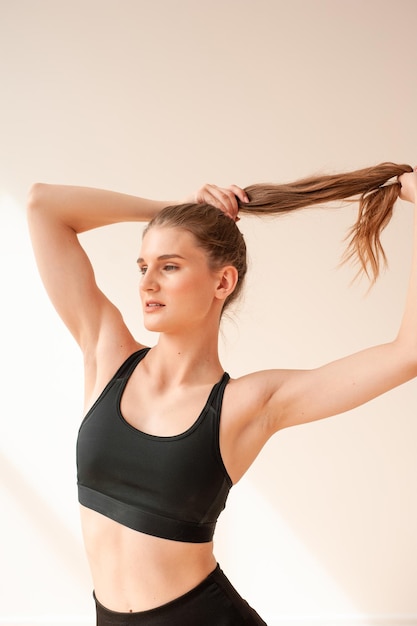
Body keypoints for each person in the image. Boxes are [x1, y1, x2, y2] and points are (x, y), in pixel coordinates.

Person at [27, 162, 417, 625]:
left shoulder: (247, 404)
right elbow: (43, 205)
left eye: (170, 266)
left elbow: (406, 354)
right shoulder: (106, 354)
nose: (148, 281)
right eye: (143, 265)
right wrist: (177, 212)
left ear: (223, 282)